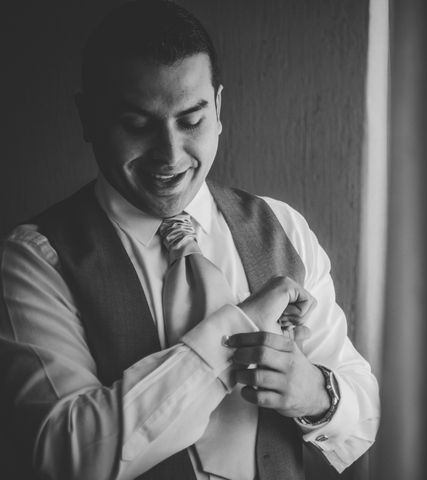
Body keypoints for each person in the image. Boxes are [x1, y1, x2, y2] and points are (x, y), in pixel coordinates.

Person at [0, 1, 379, 479]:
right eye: (137, 124)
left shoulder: (282, 227)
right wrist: (234, 331)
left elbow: (362, 411)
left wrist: (314, 394)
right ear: (88, 118)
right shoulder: (35, 259)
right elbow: (66, 458)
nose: (170, 154)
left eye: (192, 120)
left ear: (218, 108)